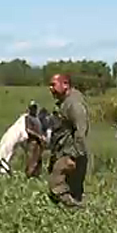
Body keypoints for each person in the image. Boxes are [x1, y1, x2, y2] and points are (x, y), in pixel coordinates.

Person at [46, 73, 89, 208]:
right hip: (63, 151)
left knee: (56, 186)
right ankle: (75, 214)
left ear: (65, 84)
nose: (50, 88)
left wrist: (74, 155)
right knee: (72, 190)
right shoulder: (64, 103)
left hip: (71, 153)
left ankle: (74, 209)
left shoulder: (74, 104)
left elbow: (81, 131)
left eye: (53, 85)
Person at [23, 100, 48, 177]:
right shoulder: (28, 117)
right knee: (31, 160)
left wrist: (43, 136)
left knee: (38, 160)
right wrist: (38, 136)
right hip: (32, 142)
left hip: (39, 142)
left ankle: (36, 175)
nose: (34, 109)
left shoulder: (37, 119)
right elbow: (28, 130)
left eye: (35, 108)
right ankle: (29, 175)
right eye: (32, 108)